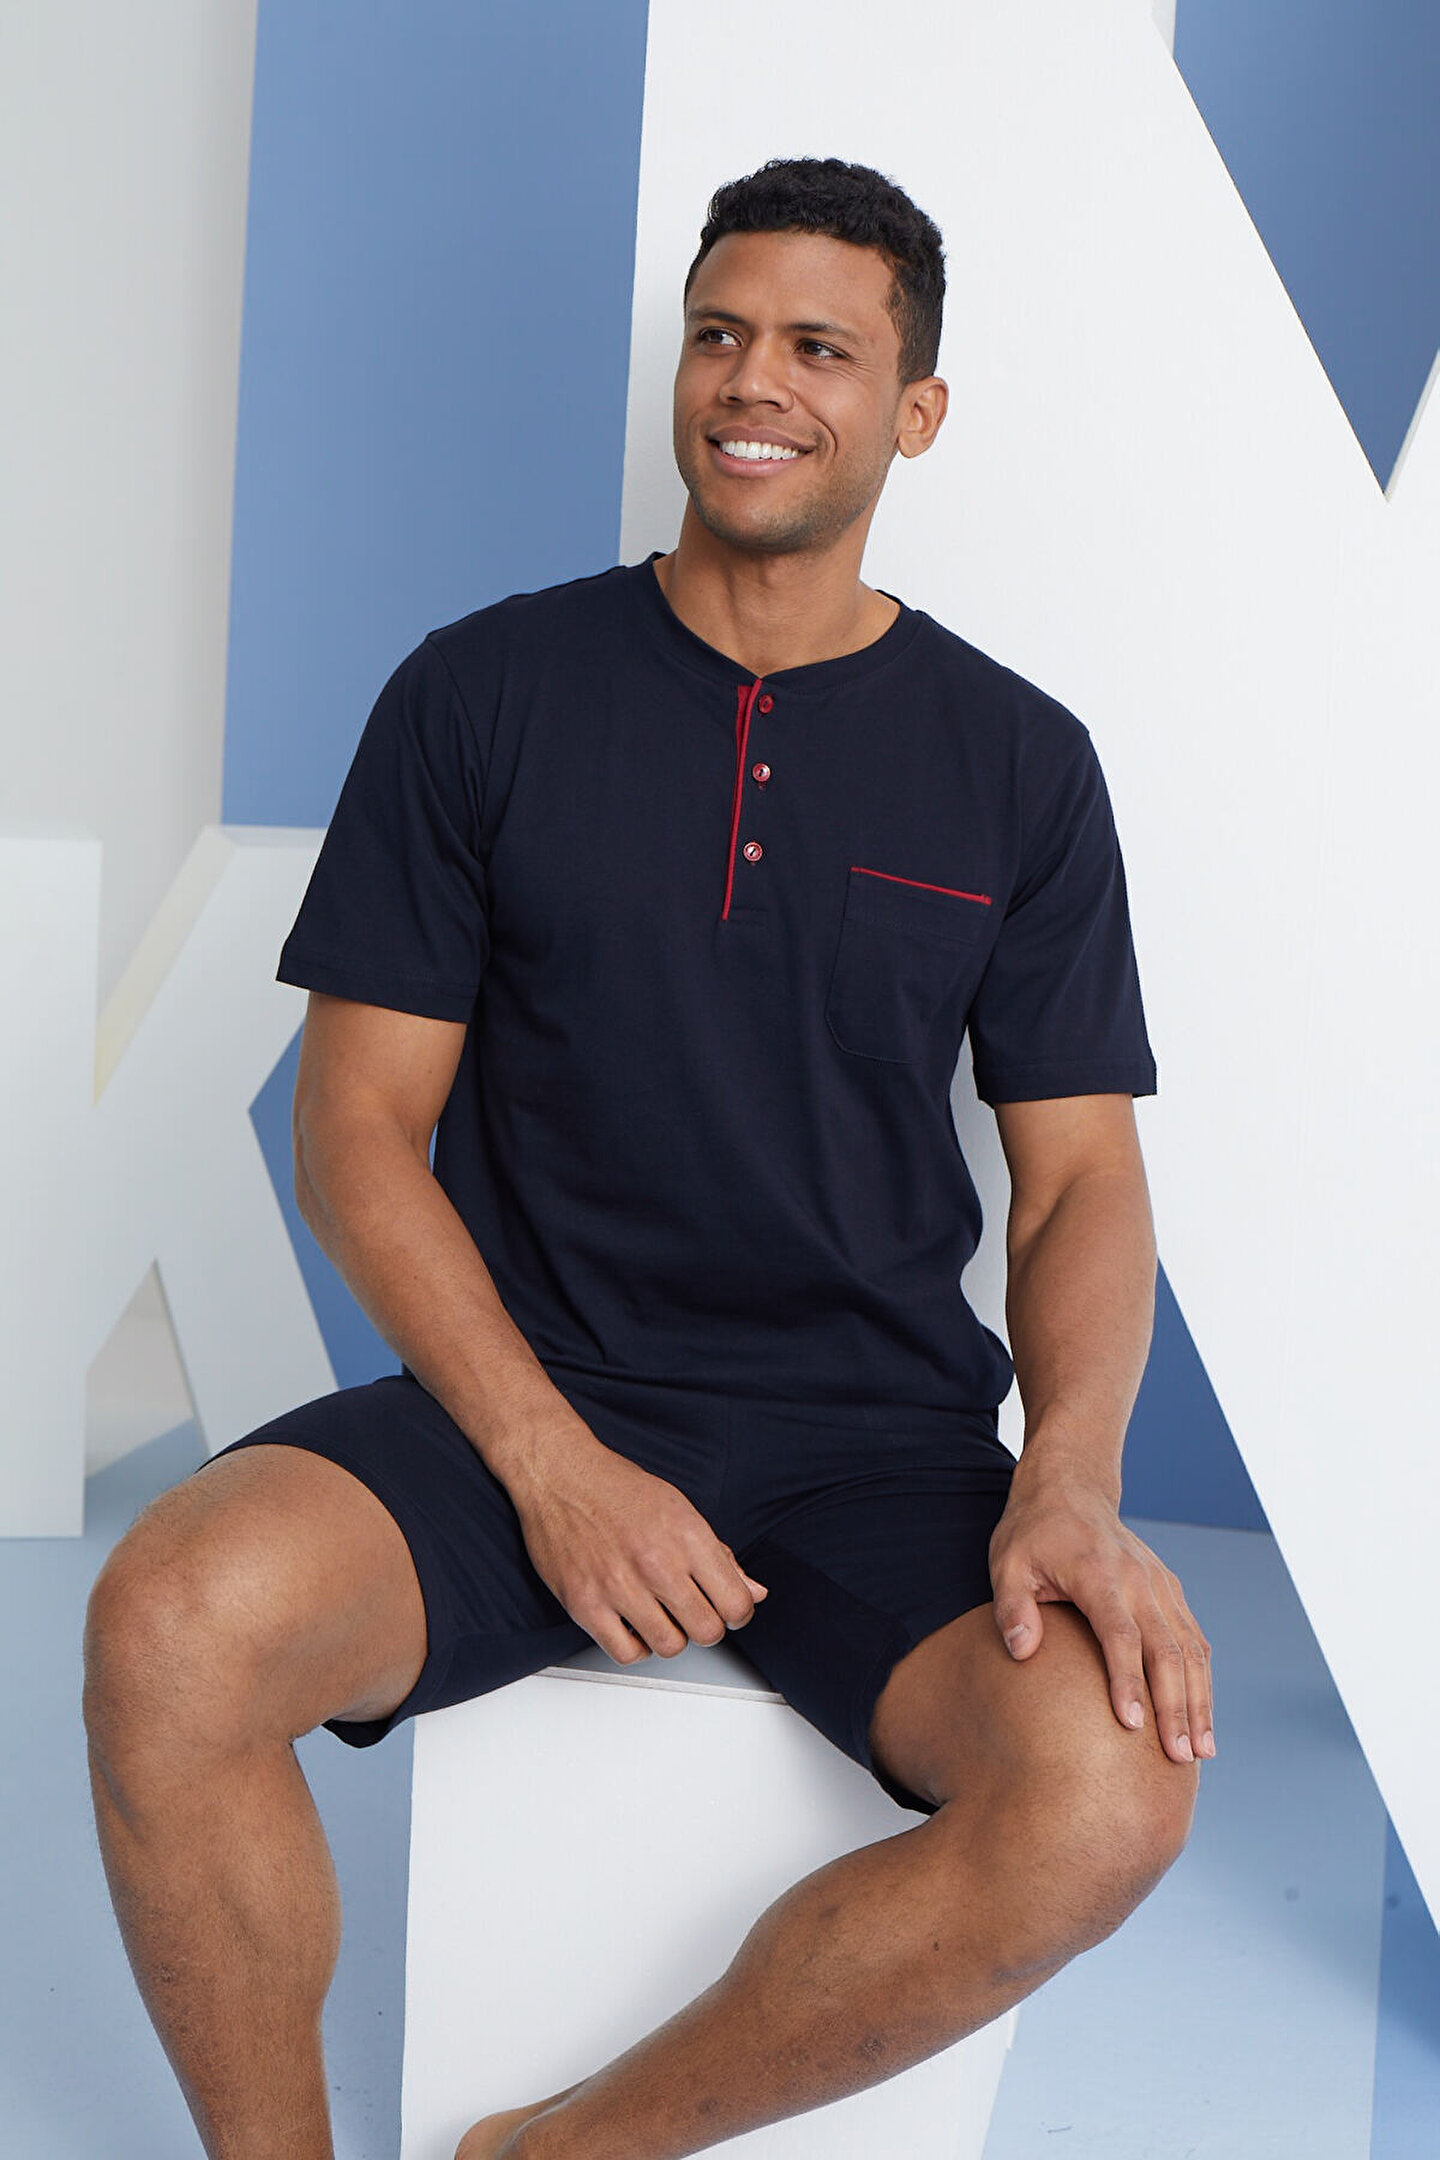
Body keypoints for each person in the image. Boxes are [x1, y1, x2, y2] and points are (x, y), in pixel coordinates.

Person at [83, 157, 1212, 2160]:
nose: (752, 380)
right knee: (170, 1626)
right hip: (531, 1399)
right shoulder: (481, 693)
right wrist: (549, 1462)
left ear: (915, 410)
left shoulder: (1018, 760)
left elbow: (1078, 1185)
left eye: (818, 348)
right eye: (719, 335)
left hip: (878, 1443)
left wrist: (1071, 1480)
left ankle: (551, 2157)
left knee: (1111, 1791)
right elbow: (356, 1132)